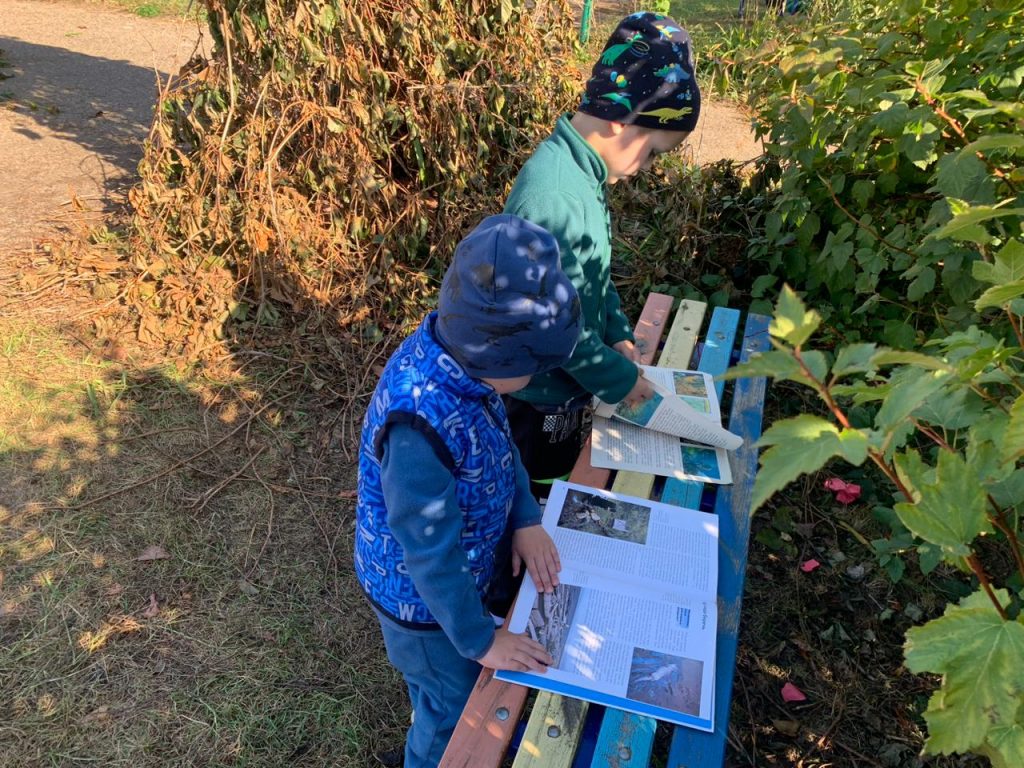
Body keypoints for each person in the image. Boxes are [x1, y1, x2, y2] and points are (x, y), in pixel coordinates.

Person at [354, 214, 582, 768]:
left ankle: (431, 715)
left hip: (460, 581)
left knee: (443, 692)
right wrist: (482, 641)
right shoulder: (418, 425)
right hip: (421, 606)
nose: (536, 378)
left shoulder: (464, 363)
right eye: (533, 367)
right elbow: (430, 554)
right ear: (498, 358)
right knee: (455, 711)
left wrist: (525, 516)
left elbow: (502, 449)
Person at [502, 11, 701, 499]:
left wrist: (617, 333)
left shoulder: (583, 176)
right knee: (534, 489)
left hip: (566, 385)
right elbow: (555, 326)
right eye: (652, 152)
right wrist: (621, 381)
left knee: (557, 477)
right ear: (620, 121)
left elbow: (594, 272)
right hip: (537, 394)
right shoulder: (553, 195)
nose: (648, 167)